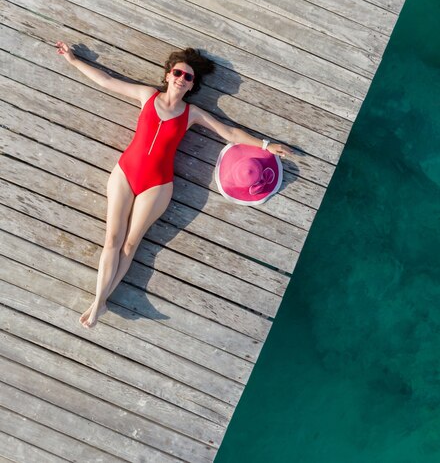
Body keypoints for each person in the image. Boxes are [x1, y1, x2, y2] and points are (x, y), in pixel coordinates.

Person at [56, 41, 293, 328]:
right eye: (178, 73)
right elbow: (107, 81)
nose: (182, 79)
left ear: (192, 86)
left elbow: (229, 131)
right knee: (112, 240)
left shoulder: (191, 113)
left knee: (130, 244)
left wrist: (266, 145)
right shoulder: (147, 95)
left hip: (157, 185)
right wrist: (72, 61)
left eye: (188, 77)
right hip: (125, 173)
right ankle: (99, 303)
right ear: (168, 75)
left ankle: (98, 303)